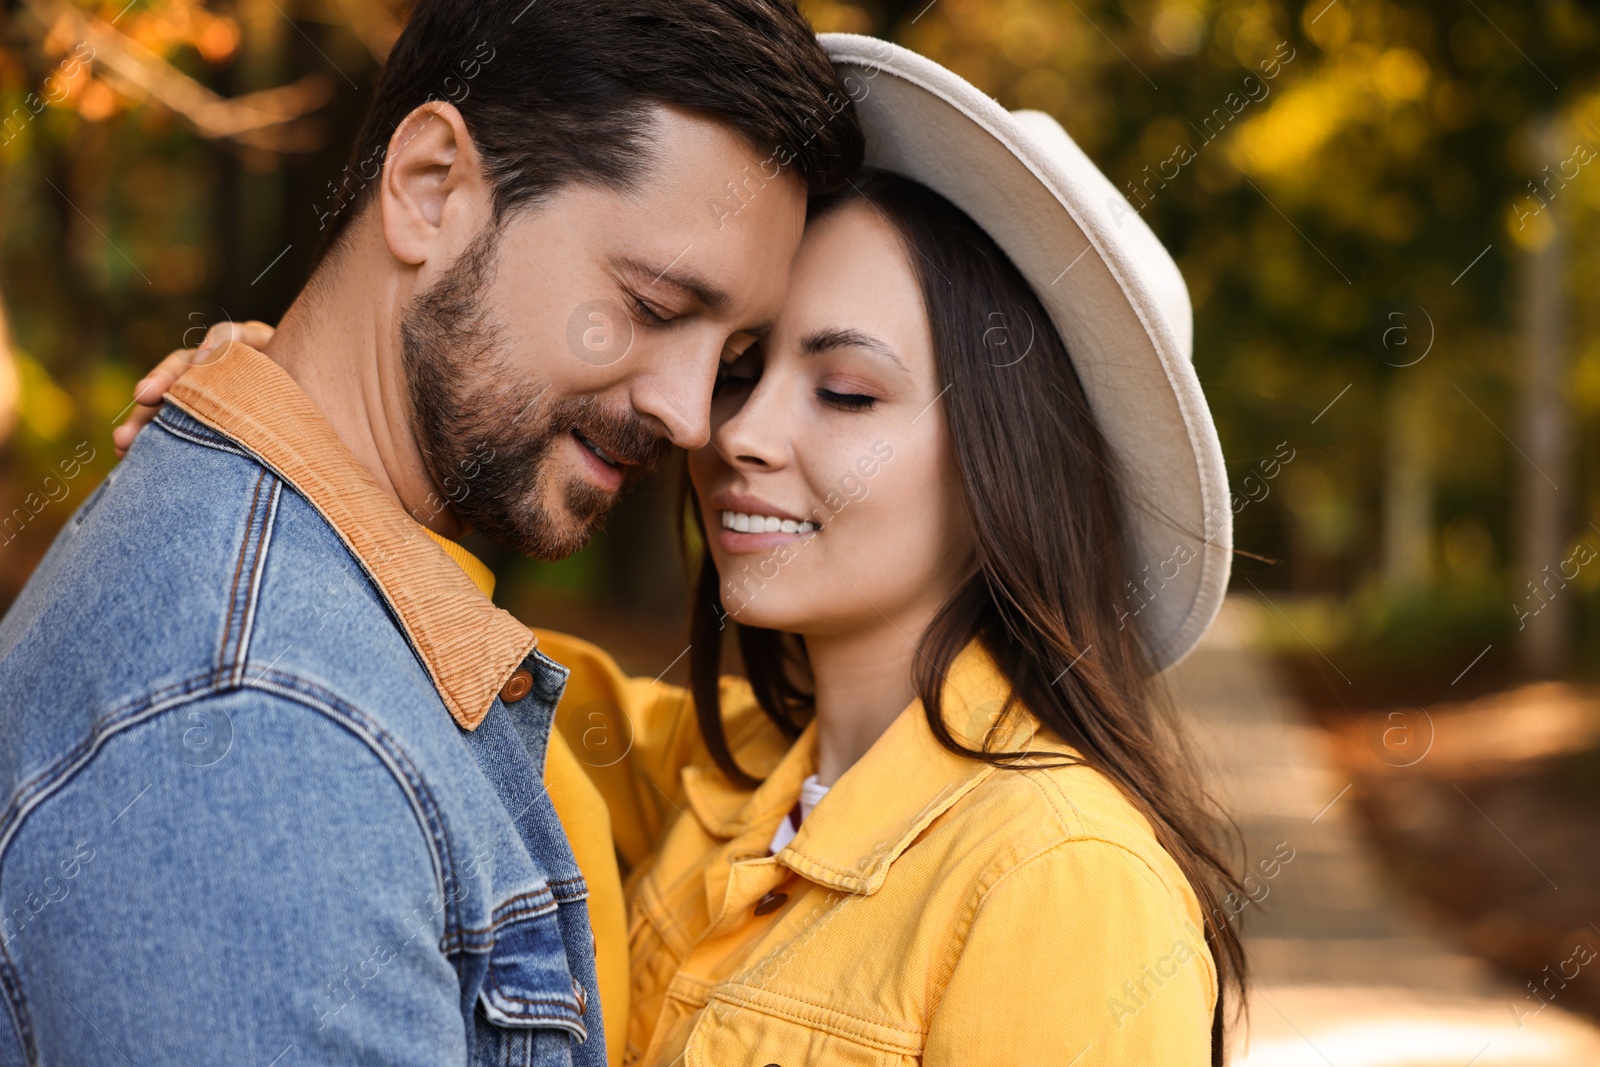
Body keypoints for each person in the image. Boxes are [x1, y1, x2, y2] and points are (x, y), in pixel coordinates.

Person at [122, 34, 1246, 1066]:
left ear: (1010, 467)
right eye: (747, 369)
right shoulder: (721, 774)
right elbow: (449, 670)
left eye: (846, 391)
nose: (731, 432)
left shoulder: (1061, 878)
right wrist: (303, 425)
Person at [0, 1, 862, 1065]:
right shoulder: (268, 743)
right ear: (429, 189)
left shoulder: (344, 609)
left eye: (729, 351)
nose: (693, 415)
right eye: (648, 304)